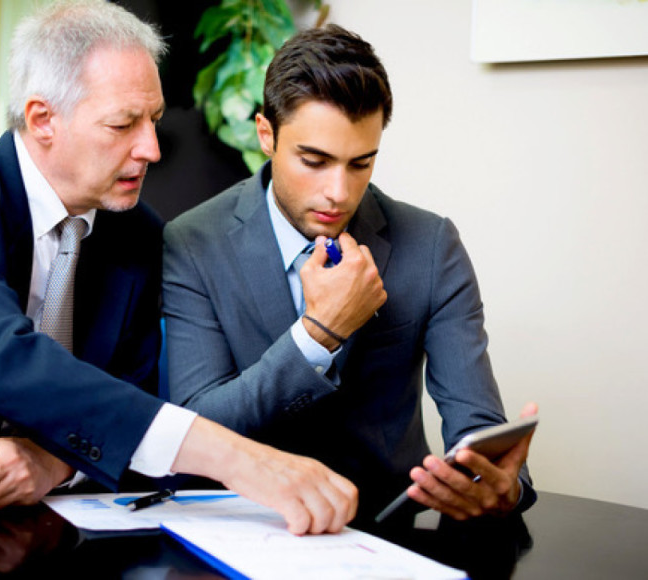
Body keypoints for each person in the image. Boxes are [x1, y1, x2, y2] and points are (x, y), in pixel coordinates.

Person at [0, 0, 358, 540]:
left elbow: (125, 394)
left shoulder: (137, 234)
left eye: (154, 119)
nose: (152, 149)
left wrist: (54, 461)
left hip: (30, 530)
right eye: (123, 124)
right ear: (43, 119)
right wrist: (240, 459)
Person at [163, 23, 537, 525]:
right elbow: (195, 427)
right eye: (314, 161)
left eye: (360, 163)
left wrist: (501, 483)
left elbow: (476, 426)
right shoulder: (193, 242)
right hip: (239, 526)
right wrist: (318, 335)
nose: (338, 192)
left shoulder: (431, 246)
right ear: (266, 134)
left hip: (386, 533)